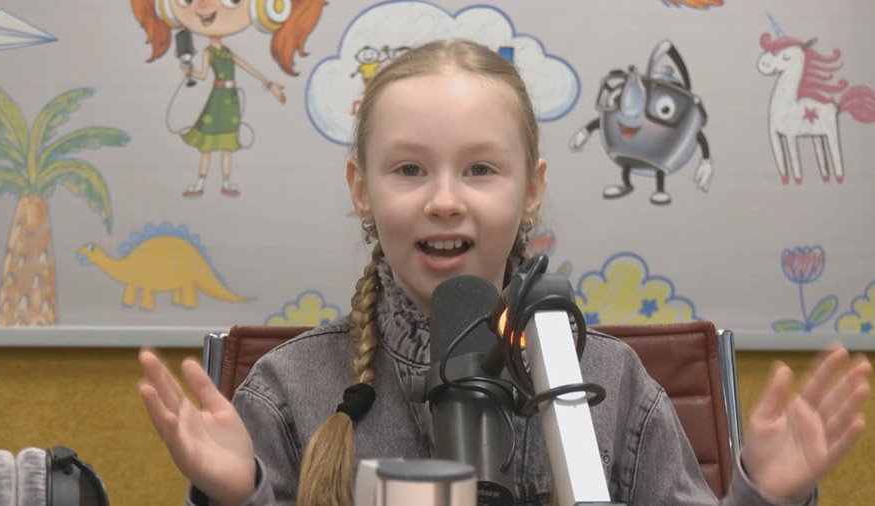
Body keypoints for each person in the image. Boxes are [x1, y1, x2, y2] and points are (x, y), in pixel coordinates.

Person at [138, 39, 872, 506]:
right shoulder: (288, 390)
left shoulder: (613, 384)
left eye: (481, 169)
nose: (445, 200)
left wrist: (763, 496)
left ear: (532, 189)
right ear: (362, 189)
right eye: (409, 169)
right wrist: (235, 495)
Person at [131, 0, 326, 197]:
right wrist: (189, 72)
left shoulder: (227, 52)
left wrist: (269, 84)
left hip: (230, 100)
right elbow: (203, 75)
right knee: (207, 147)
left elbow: (248, 69)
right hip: (217, 100)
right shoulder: (209, 52)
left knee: (227, 146)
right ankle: (199, 184)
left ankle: (226, 183)